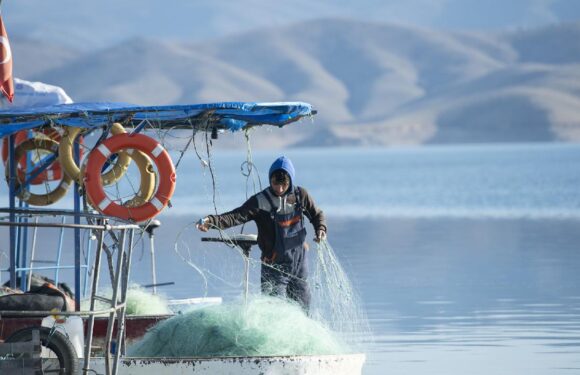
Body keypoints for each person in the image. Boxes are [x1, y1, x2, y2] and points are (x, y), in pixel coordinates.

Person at [196, 156, 326, 311]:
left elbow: (317, 214)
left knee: (303, 310)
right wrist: (210, 221)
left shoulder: (300, 195)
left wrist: (321, 229)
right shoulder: (260, 201)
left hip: (299, 265)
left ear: (290, 181)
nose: (279, 189)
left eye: (283, 184)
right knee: (272, 312)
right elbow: (234, 217)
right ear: (270, 180)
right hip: (273, 267)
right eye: (275, 184)